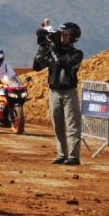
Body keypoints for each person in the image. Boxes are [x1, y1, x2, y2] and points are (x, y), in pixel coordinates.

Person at [33, 22, 83, 166]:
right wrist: (42, 49)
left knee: (73, 125)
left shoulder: (76, 54)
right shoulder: (53, 50)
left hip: (69, 93)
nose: (61, 36)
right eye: (60, 32)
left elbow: (65, 64)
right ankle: (62, 154)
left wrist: (54, 49)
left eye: (65, 33)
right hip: (53, 92)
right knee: (57, 125)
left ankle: (74, 156)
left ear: (73, 37)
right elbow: (36, 67)